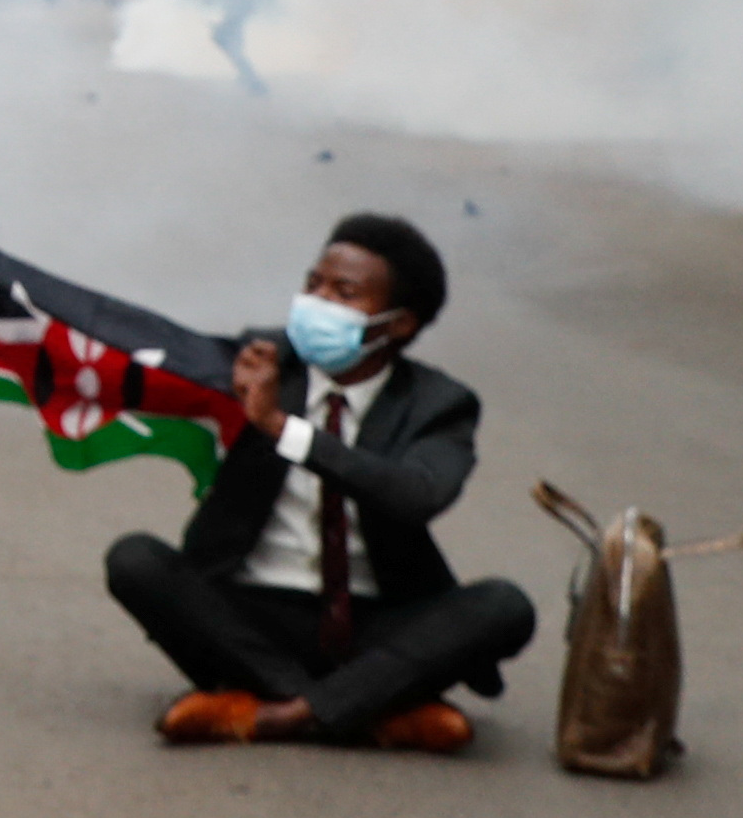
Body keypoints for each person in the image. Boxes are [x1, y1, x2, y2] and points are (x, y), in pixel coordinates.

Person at [90, 210, 526, 751]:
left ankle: (270, 714)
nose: (318, 302)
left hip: (374, 624)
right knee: (134, 559)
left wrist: (285, 430)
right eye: (313, 284)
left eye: (344, 293)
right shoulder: (262, 361)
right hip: (251, 616)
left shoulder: (440, 404)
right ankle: (366, 712)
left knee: (505, 606)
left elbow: (417, 496)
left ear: (399, 324)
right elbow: (121, 341)